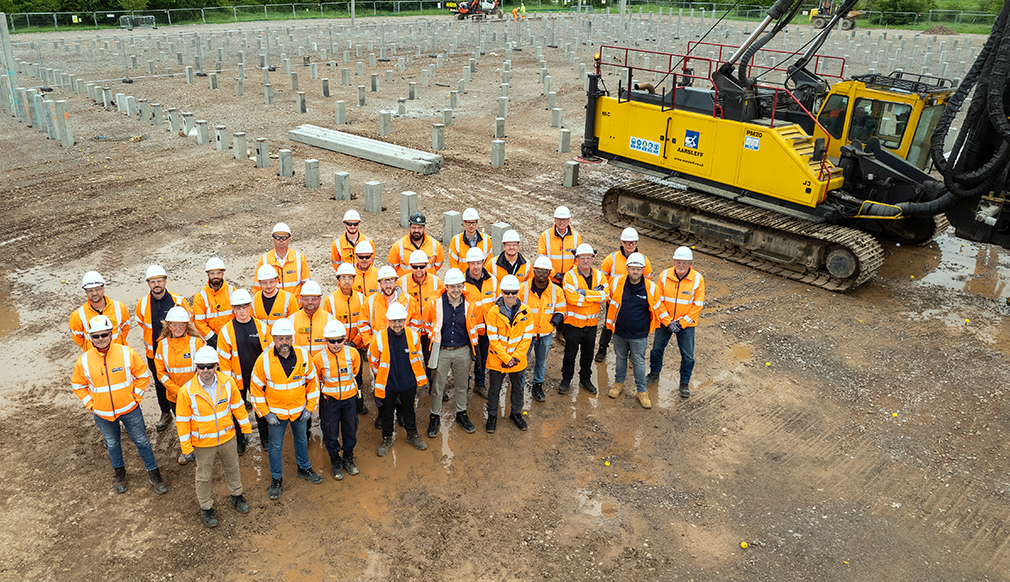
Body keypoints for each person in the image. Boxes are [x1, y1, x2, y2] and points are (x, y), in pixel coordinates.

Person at [71, 314, 166, 495]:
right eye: (96, 336)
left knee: (142, 441)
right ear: (91, 337)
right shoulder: (83, 360)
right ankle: (120, 473)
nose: (100, 339)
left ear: (111, 334)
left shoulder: (126, 353)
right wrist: (91, 405)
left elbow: (143, 375)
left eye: (104, 335)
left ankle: (154, 473)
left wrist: (136, 398)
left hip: (130, 410)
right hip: (102, 414)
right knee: (112, 443)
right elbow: (78, 385)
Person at [174, 346, 251, 528]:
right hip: (203, 444)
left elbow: (238, 407)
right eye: (201, 366)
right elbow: (182, 422)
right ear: (196, 367)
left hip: (227, 438)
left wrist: (246, 428)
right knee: (203, 476)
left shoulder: (228, 383)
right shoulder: (187, 391)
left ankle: (236, 495)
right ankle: (206, 507)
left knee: (232, 468)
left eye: (209, 366)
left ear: (216, 365)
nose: (205, 370)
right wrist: (186, 448)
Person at [250, 318, 323, 501]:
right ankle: (276, 479)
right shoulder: (263, 360)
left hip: (299, 411)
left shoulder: (304, 356)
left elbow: (313, 383)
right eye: (280, 338)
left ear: (292, 338)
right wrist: (266, 413)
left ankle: (304, 468)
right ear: (273, 339)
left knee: (301, 439)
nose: (284, 342)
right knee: (275, 446)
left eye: (287, 338)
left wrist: (310, 408)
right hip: (276, 414)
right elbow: (256, 388)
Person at [605, 253, 670, 409]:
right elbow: (607, 298)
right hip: (619, 332)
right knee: (620, 359)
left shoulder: (651, 288)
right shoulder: (616, 283)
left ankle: (642, 391)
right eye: (632, 269)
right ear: (627, 268)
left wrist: (668, 322)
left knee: (639, 362)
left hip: (639, 335)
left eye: (638, 269)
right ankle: (618, 384)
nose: (635, 272)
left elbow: (659, 307)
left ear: (643, 270)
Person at [421, 268, 480, 438]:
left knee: (462, 386)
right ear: (446, 286)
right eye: (452, 286)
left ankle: (461, 414)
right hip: (442, 351)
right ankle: (434, 416)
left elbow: (474, 327)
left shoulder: (470, 304)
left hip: (463, 351)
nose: (456, 290)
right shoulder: (435, 303)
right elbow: (425, 325)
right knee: (438, 387)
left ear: (463, 286)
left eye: (459, 286)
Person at [135, 264, 192, 431]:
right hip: (154, 353)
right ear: (148, 283)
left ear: (165, 281)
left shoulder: (178, 301)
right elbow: (141, 322)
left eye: (159, 280)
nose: (156, 284)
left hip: (178, 350)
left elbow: (188, 323)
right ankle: (165, 412)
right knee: (160, 382)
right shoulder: (142, 303)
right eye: (152, 281)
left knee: (183, 378)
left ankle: (188, 409)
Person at [369, 302, 429, 456]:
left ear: (405, 320)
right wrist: (381, 376)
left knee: (409, 410)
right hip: (388, 385)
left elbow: (418, 356)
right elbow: (372, 359)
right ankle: (387, 438)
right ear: (388, 321)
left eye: (400, 321)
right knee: (387, 413)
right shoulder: (379, 338)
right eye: (394, 321)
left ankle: (412, 435)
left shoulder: (413, 335)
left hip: (408, 383)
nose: (397, 324)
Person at [216, 289, 271, 455]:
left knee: (260, 407)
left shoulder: (261, 327)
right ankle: (240, 438)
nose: (241, 311)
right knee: (236, 410)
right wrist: (227, 382)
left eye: (244, 307)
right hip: (235, 380)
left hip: (258, 378)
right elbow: (223, 361)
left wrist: (267, 377)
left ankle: (265, 436)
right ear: (233, 309)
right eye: (237, 308)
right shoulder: (226, 331)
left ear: (249, 306)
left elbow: (268, 354)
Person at [649, 246, 705, 398]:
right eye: (678, 262)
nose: (681, 265)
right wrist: (668, 321)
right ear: (674, 261)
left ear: (690, 264)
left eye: (684, 263)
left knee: (688, 356)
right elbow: (657, 300)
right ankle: (654, 374)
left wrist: (681, 323)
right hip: (665, 322)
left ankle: (684, 383)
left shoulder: (698, 279)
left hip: (686, 325)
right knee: (656, 349)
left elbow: (697, 305)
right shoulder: (664, 275)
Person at [154, 306, 205, 464]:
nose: (177, 328)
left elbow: (204, 369)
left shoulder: (197, 343)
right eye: (174, 325)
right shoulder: (162, 345)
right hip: (174, 395)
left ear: (187, 326)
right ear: (168, 326)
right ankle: (186, 449)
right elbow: (160, 372)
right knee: (182, 423)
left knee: (198, 420)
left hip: (195, 393)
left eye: (181, 325)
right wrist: (176, 389)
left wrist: (192, 389)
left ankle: (202, 447)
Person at [311, 321, 362, 480]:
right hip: (330, 402)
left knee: (350, 430)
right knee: (330, 432)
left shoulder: (353, 353)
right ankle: (335, 460)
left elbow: (355, 372)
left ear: (344, 339)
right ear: (325, 341)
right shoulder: (318, 358)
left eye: (339, 340)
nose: (336, 344)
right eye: (332, 341)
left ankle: (348, 457)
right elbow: (316, 379)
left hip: (349, 401)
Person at [484, 275, 534, 433]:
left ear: (518, 292)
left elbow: (527, 338)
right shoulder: (493, 312)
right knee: (494, 389)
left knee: (518, 388)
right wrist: (506, 359)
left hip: (517, 361)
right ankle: (492, 416)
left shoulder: (526, 312)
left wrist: (515, 358)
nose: (510, 296)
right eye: (507, 292)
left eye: (513, 292)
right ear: (502, 292)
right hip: (498, 360)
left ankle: (516, 414)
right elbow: (492, 339)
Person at [596, 227, 654, 362]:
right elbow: (602, 279)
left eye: (633, 242)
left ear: (637, 243)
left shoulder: (644, 260)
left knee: (633, 324)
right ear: (622, 243)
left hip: (634, 300)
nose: (630, 245)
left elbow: (647, 281)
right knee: (608, 324)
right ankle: (602, 348)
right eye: (627, 242)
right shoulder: (612, 258)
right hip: (614, 299)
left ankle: (632, 354)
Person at [560, 243, 609, 395]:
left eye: (588, 258)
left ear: (593, 258)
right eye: (582, 258)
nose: (586, 261)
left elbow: (605, 295)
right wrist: (594, 296)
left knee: (587, 355)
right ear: (577, 259)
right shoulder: (570, 276)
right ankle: (566, 379)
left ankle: (585, 379)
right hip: (573, 324)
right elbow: (573, 299)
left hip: (591, 324)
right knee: (570, 354)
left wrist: (584, 293)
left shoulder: (600, 275)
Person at [324, 263, 372, 415]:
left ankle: (359, 401)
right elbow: (327, 325)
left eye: (349, 278)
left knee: (356, 377)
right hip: (337, 346)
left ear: (354, 280)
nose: (346, 281)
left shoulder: (361, 298)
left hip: (355, 346)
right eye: (343, 277)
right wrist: (341, 343)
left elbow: (364, 323)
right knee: (339, 375)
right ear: (338, 280)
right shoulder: (330, 300)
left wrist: (356, 342)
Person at [520, 256, 566, 402]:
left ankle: (537, 385)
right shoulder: (523, 289)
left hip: (545, 333)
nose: (541, 274)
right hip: (526, 334)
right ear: (534, 271)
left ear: (549, 273)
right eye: (538, 270)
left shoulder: (556, 291)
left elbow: (561, 309)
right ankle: (519, 387)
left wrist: (552, 324)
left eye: (544, 271)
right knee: (522, 361)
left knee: (541, 362)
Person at [399, 249, 444, 370]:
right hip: (410, 330)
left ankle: (431, 385)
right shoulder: (401, 282)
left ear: (427, 266)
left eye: (421, 266)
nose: (418, 270)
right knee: (410, 360)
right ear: (410, 266)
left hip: (430, 330)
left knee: (432, 361)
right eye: (415, 266)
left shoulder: (436, 282)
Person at [464, 246, 497, 398]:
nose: (476, 267)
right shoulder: (462, 283)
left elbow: (498, 303)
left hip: (486, 329)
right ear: (468, 264)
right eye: (472, 263)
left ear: (484, 262)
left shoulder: (493, 281)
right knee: (465, 358)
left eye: (478, 263)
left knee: (482, 358)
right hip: (467, 329)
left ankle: (479, 383)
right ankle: (464, 383)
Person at [69, 271, 130, 352]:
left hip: (118, 354)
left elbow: (125, 328)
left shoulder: (119, 307)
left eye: (97, 289)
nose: (94, 293)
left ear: (103, 288)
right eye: (90, 290)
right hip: (94, 358)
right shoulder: (77, 315)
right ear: (85, 291)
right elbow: (78, 338)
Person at [253, 222, 312, 302]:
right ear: (273, 238)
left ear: (289, 238)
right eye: (278, 237)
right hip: (273, 307)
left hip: (295, 307)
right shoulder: (264, 259)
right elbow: (257, 287)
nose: (281, 240)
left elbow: (307, 285)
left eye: (284, 237)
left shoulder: (299, 258)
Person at [192, 257, 234, 349]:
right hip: (210, 342)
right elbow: (199, 322)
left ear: (223, 273)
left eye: (218, 272)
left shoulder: (233, 292)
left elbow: (239, 315)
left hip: (231, 338)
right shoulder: (200, 296)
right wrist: (213, 339)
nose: (215, 276)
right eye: (212, 273)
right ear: (207, 274)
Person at [387, 212, 445, 277]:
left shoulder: (435, 245)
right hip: (406, 285)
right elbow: (392, 267)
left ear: (424, 227)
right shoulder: (398, 246)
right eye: (414, 227)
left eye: (419, 228)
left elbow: (438, 265)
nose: (416, 230)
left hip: (428, 284)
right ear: (409, 227)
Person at [538, 206, 581, 286]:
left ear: (568, 220)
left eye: (564, 219)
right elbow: (542, 258)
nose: (562, 222)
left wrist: (570, 274)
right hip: (550, 279)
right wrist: (554, 274)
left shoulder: (576, 236)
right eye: (559, 219)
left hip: (570, 280)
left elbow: (579, 258)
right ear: (555, 219)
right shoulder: (545, 235)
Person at [291, 280, 332, 356]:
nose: (310, 302)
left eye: (314, 298)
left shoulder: (330, 320)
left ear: (320, 298)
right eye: (306, 299)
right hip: (300, 365)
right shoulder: (291, 320)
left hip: (323, 365)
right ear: (301, 298)